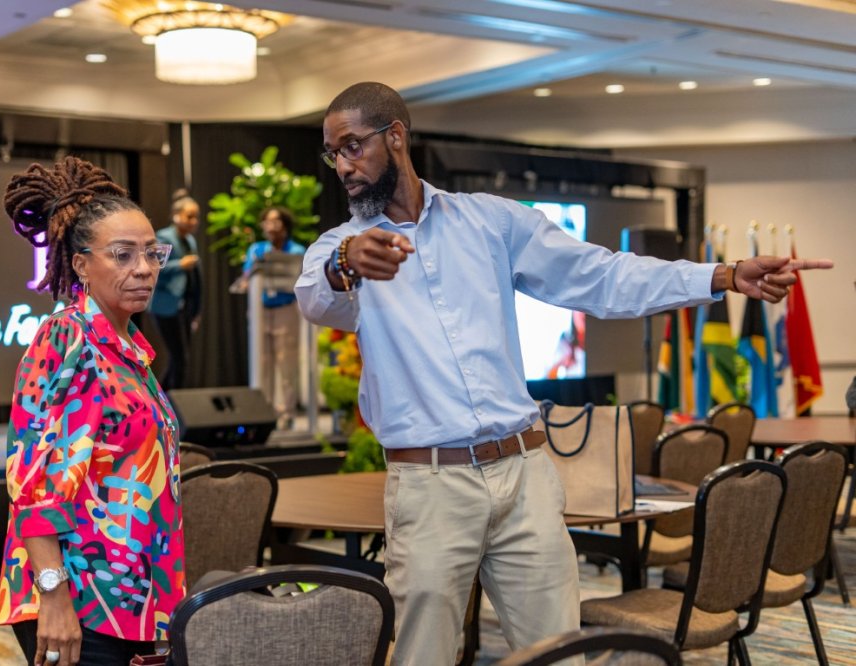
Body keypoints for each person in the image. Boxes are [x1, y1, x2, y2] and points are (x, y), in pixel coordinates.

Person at [294, 81, 834, 665]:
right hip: (430, 485)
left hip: (523, 475)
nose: (342, 166)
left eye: (352, 147)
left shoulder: (491, 221)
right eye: (333, 154)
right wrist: (346, 264)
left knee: (559, 654)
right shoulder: (341, 246)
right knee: (422, 656)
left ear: (395, 136)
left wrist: (723, 276)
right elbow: (316, 298)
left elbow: (603, 277)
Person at [0, 157, 184, 666]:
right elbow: (34, 478)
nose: (144, 268)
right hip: (81, 599)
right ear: (81, 265)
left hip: (132, 598)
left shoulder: (130, 349)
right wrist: (54, 596)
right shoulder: (69, 338)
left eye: (152, 253)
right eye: (122, 255)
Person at [242, 206, 307, 429]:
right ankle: (265, 413)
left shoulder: (296, 251)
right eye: (266, 222)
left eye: (275, 221)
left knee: (286, 363)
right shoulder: (256, 250)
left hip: (285, 310)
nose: (270, 226)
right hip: (260, 310)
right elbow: (246, 277)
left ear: (285, 227)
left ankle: (287, 413)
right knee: (262, 363)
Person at [149, 191, 202, 390]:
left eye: (196, 216)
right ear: (176, 215)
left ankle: (161, 399)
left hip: (186, 307)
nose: (194, 221)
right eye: (190, 216)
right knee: (180, 358)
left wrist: (196, 310)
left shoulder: (191, 241)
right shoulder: (163, 237)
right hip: (166, 306)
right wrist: (180, 264)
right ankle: (171, 401)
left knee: (179, 358)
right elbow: (153, 268)